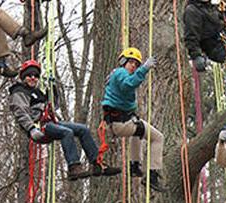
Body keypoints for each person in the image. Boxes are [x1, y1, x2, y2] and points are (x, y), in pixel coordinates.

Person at [10, 60, 120, 180]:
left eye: (36, 76)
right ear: (23, 76)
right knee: (67, 132)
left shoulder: (36, 93)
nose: (33, 78)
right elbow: (20, 112)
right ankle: (74, 167)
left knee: (83, 129)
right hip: (38, 126)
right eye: (29, 75)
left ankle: (97, 163)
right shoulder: (19, 91)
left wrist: (53, 91)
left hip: (49, 122)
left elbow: (53, 106)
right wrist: (31, 129)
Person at [102, 47, 166, 191]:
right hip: (121, 123)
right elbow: (128, 85)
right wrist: (143, 69)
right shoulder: (120, 73)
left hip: (119, 123)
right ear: (123, 62)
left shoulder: (117, 75)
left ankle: (134, 165)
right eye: (131, 62)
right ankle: (152, 175)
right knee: (158, 137)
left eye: (136, 64)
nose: (133, 66)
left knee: (137, 131)